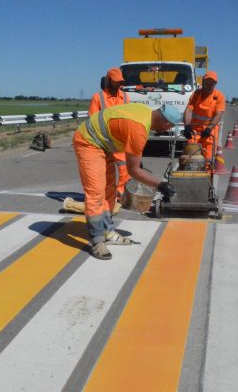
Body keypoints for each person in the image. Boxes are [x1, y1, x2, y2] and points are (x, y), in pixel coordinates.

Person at [73, 102, 180, 260]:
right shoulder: (139, 129)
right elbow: (134, 170)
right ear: (165, 122)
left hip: (104, 144)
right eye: (169, 127)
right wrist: (160, 185)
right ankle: (97, 240)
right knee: (96, 191)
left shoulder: (144, 112)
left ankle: (108, 231)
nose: (167, 130)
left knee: (109, 189)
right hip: (89, 141)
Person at [63, 68, 129, 215]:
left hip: (118, 142)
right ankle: (101, 200)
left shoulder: (125, 97)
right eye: (116, 82)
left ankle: (117, 196)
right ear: (108, 80)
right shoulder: (98, 98)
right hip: (103, 141)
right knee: (103, 173)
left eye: (121, 82)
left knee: (125, 169)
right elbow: (93, 121)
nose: (119, 85)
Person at [182, 70, 226, 163]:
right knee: (191, 154)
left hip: (210, 130)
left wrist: (209, 129)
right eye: (207, 83)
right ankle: (191, 173)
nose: (209, 86)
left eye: (212, 84)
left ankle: (207, 173)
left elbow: (219, 114)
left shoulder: (219, 96)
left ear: (215, 84)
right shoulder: (196, 94)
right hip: (195, 130)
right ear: (203, 82)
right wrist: (187, 126)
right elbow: (188, 110)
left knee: (208, 156)